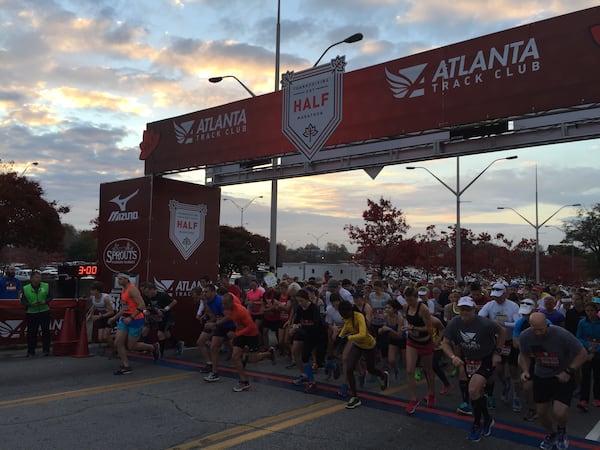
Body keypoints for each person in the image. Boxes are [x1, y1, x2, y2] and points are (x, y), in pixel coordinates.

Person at [518, 312, 588, 450]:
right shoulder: (525, 336)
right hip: (541, 375)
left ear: (547, 325)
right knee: (542, 413)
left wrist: (569, 371)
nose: (537, 333)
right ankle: (552, 434)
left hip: (562, 376)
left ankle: (562, 430)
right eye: (534, 329)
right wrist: (525, 370)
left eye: (541, 329)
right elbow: (524, 354)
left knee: (559, 412)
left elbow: (583, 354)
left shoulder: (561, 335)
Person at [442, 296, 506, 442]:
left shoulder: (484, 323)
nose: (464, 312)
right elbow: (445, 343)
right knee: (476, 393)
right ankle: (487, 419)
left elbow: (502, 331)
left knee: (473, 390)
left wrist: (497, 352)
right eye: (462, 309)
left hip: (485, 359)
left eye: (468, 309)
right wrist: (453, 357)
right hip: (468, 359)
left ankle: (477, 424)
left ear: (474, 309)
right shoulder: (454, 323)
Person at [478, 282, 521, 412]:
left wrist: (503, 323)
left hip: (510, 341)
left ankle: (516, 396)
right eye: (494, 296)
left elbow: (517, 324)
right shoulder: (489, 305)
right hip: (497, 342)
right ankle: (505, 384)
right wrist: (492, 323)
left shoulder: (513, 306)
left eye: (499, 295)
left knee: (514, 370)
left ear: (505, 293)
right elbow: (480, 318)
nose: (496, 298)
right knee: (498, 370)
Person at [338, 300, 389, 409]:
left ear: (350, 311)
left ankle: (382, 375)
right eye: (342, 315)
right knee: (350, 368)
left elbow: (362, 334)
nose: (344, 317)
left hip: (368, 344)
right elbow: (346, 327)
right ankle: (355, 397)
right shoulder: (346, 318)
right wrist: (340, 336)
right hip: (357, 344)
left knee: (371, 369)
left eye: (345, 314)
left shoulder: (359, 316)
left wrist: (348, 337)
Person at [222, 293, 276, 392]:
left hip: (251, 334)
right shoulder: (229, 309)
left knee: (253, 359)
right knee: (235, 357)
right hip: (240, 334)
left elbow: (251, 326)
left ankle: (268, 354)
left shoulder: (240, 311)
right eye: (223, 304)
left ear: (231, 302)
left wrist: (237, 334)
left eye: (225, 304)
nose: (223, 306)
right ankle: (244, 381)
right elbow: (236, 322)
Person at [107, 273, 159, 375]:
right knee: (118, 342)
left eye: (121, 279)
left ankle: (153, 347)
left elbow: (142, 305)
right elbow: (125, 307)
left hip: (135, 319)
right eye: (118, 278)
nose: (119, 281)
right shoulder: (123, 290)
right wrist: (114, 318)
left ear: (127, 279)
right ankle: (126, 366)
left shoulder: (132, 290)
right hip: (124, 318)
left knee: (131, 346)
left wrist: (131, 317)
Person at [402, 286, 436, 414]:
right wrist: (407, 328)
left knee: (428, 371)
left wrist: (413, 328)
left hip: (425, 342)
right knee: (410, 370)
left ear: (417, 298)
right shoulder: (406, 307)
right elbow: (407, 321)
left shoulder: (423, 309)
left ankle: (431, 393)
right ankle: (413, 398)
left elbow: (430, 329)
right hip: (412, 341)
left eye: (411, 300)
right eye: (407, 300)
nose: (409, 303)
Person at [290, 289, 328, 393]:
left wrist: (300, 326)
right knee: (299, 354)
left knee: (317, 360)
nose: (300, 303)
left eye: (301, 301)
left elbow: (315, 324)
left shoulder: (314, 308)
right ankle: (307, 377)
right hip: (304, 333)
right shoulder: (299, 308)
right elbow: (296, 321)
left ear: (307, 299)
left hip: (316, 334)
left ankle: (330, 366)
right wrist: (294, 326)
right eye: (298, 301)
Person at [140, 282, 178, 358]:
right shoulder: (146, 297)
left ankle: (161, 352)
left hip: (165, 316)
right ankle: (148, 348)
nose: (146, 294)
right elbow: (143, 306)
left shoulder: (162, 295)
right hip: (153, 316)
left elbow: (174, 301)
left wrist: (165, 309)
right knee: (144, 331)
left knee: (161, 334)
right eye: (145, 292)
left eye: (147, 292)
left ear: (153, 290)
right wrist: (144, 311)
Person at [20, 270, 53, 356]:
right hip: (31, 313)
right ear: (31, 278)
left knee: (46, 331)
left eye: (39, 277)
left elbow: (50, 297)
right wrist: (30, 304)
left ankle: (46, 350)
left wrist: (45, 302)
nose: (38, 279)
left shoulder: (46, 286)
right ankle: (31, 351)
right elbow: (22, 301)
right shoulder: (25, 288)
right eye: (36, 277)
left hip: (44, 311)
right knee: (31, 333)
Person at [576, 302, 600, 411]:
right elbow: (579, 337)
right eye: (587, 311)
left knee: (598, 376)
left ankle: (597, 397)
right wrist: (588, 348)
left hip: (598, 353)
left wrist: (595, 351)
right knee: (585, 376)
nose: (590, 313)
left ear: (596, 311)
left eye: (592, 311)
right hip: (586, 352)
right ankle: (583, 398)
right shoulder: (582, 322)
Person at [87, 281, 115, 349]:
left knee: (105, 337)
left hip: (109, 316)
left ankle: (115, 348)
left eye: (92, 290)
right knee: (100, 338)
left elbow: (112, 312)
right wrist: (89, 316)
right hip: (102, 316)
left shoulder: (105, 298)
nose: (91, 291)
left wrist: (100, 316)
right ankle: (113, 341)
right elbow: (94, 306)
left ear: (97, 290)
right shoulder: (92, 297)